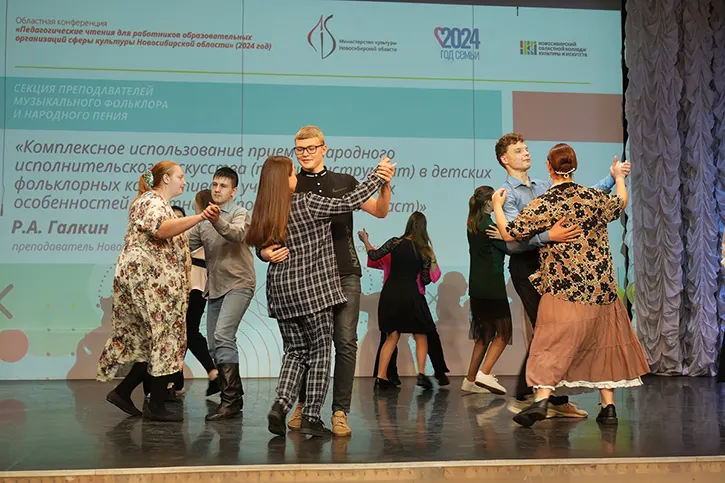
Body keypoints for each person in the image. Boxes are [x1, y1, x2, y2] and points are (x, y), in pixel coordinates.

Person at [492, 143, 650, 427]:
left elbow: (509, 234)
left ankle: (542, 399)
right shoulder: (592, 198)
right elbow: (621, 201)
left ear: (549, 168)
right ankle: (609, 407)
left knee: (549, 342)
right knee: (605, 345)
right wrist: (618, 177)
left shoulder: (545, 203)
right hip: (601, 289)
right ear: (574, 167)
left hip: (564, 288)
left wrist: (496, 207)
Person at [247, 155, 395, 437]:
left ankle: (281, 404)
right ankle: (311, 416)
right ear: (284, 180)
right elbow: (348, 202)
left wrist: (264, 253)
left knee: (294, 352)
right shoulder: (306, 202)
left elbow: (258, 244)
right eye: (292, 173)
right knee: (319, 352)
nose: (296, 177)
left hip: (281, 291)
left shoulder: (265, 210)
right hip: (312, 291)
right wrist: (378, 175)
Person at [98, 160, 215, 421]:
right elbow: (161, 230)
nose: (184, 181)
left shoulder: (159, 204)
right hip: (150, 282)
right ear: (166, 179)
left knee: (155, 340)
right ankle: (156, 404)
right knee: (164, 337)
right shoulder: (152, 202)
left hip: (156, 283)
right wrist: (200, 217)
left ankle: (124, 392)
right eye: (180, 176)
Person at [188, 167, 256, 421]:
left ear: (233, 191)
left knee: (223, 335)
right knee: (214, 345)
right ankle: (235, 396)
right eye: (215, 184)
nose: (217, 189)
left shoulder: (240, 213)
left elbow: (236, 234)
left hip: (239, 283)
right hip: (215, 287)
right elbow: (184, 244)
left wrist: (216, 219)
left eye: (223, 186)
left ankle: (230, 401)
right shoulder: (204, 220)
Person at [357, 228, 449, 386]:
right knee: (425, 334)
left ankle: (386, 376)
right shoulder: (422, 252)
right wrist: (432, 258)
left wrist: (366, 241)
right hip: (413, 297)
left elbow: (373, 257)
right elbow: (432, 277)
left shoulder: (393, 248)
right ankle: (432, 373)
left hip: (391, 297)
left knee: (391, 337)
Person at [168, 193, 220, 397]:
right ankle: (177, 381)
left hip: (196, 285)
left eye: (180, 219)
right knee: (179, 333)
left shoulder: (199, 230)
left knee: (187, 331)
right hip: (177, 288)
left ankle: (211, 373)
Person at [462, 186, 511, 395]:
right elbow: (512, 248)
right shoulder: (490, 226)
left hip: (477, 286)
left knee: (484, 335)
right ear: (489, 202)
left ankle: (470, 380)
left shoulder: (473, 223)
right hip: (492, 286)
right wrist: (505, 236)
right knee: (504, 332)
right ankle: (485, 373)